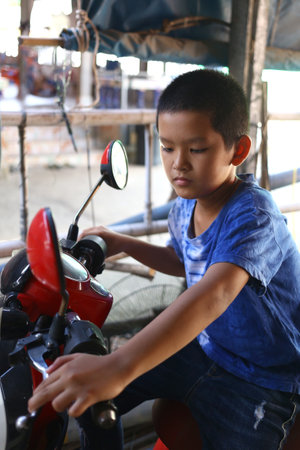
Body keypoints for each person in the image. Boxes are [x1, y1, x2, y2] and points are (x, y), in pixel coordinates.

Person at [28, 69, 300, 449]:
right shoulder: (184, 206)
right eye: (167, 147)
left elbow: (215, 291)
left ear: (237, 150)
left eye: (197, 149)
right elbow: (182, 259)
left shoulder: (255, 215)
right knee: (87, 397)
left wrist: (117, 367)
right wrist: (121, 241)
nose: (178, 164)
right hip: (207, 347)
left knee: (113, 370)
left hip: (263, 377)